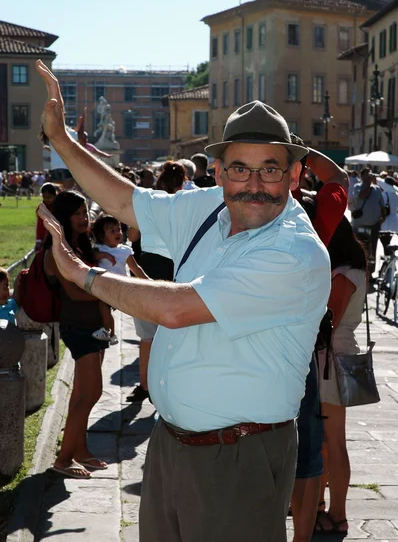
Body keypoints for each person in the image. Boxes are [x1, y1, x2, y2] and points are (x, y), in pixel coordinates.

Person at [36, 59, 331, 542]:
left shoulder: (294, 252)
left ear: (294, 174)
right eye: (240, 167)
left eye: (270, 169)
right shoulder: (211, 205)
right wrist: (63, 139)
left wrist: (83, 275)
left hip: (240, 455)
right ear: (218, 170)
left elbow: (176, 308)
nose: (254, 183)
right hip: (171, 443)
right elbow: (126, 201)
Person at [290, 138, 348, 542]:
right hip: (302, 338)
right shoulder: (315, 215)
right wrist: (302, 152)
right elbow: (338, 177)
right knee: (307, 449)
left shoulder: (242, 200)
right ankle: (302, 534)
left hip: (247, 334)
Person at [43, 190, 109, 478]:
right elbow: (72, 291)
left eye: (86, 213)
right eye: (77, 214)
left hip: (92, 326)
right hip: (79, 327)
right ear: (64, 217)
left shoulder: (80, 244)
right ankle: (64, 459)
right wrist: (109, 294)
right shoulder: (58, 250)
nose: (84, 218)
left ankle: (79, 449)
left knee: (83, 394)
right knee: (90, 393)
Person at [315, 217, 367, 536]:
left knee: (333, 441)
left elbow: (327, 320)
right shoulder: (353, 271)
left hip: (330, 358)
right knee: (326, 441)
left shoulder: (343, 275)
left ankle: (337, 512)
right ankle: (320, 505)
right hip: (335, 356)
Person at [127, 161, 183, 403]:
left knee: (147, 336)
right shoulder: (184, 204)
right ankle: (169, 387)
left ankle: (145, 385)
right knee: (175, 335)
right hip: (175, 272)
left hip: (145, 272)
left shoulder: (149, 204)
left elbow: (132, 236)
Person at [91, 214, 148, 345]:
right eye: (112, 231)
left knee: (104, 306)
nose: (118, 233)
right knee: (103, 307)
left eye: (119, 229)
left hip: (119, 286)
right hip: (104, 286)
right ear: (101, 236)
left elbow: (135, 268)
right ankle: (110, 333)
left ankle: (109, 332)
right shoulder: (99, 249)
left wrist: (147, 281)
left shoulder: (125, 250)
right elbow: (92, 256)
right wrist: (105, 255)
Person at [351, 167, 385, 275]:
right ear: (361, 176)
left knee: (372, 249)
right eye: (366, 175)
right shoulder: (357, 187)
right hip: (359, 225)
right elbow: (361, 196)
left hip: (373, 225)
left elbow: (382, 204)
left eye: (370, 174)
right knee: (359, 248)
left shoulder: (377, 189)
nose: (369, 177)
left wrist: (382, 217)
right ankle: (359, 270)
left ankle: (370, 271)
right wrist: (369, 185)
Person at [377, 175, 398, 253]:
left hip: (386, 219)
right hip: (394, 218)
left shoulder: (385, 194)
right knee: (389, 239)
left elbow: (381, 206)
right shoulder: (396, 194)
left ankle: (387, 254)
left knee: (384, 239)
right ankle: (389, 255)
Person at [35, 183, 58, 250]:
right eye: (44, 197)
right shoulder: (41, 209)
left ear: (54, 196)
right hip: (45, 239)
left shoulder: (60, 206)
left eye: (49, 197)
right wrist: (38, 240)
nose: (46, 199)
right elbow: (40, 225)